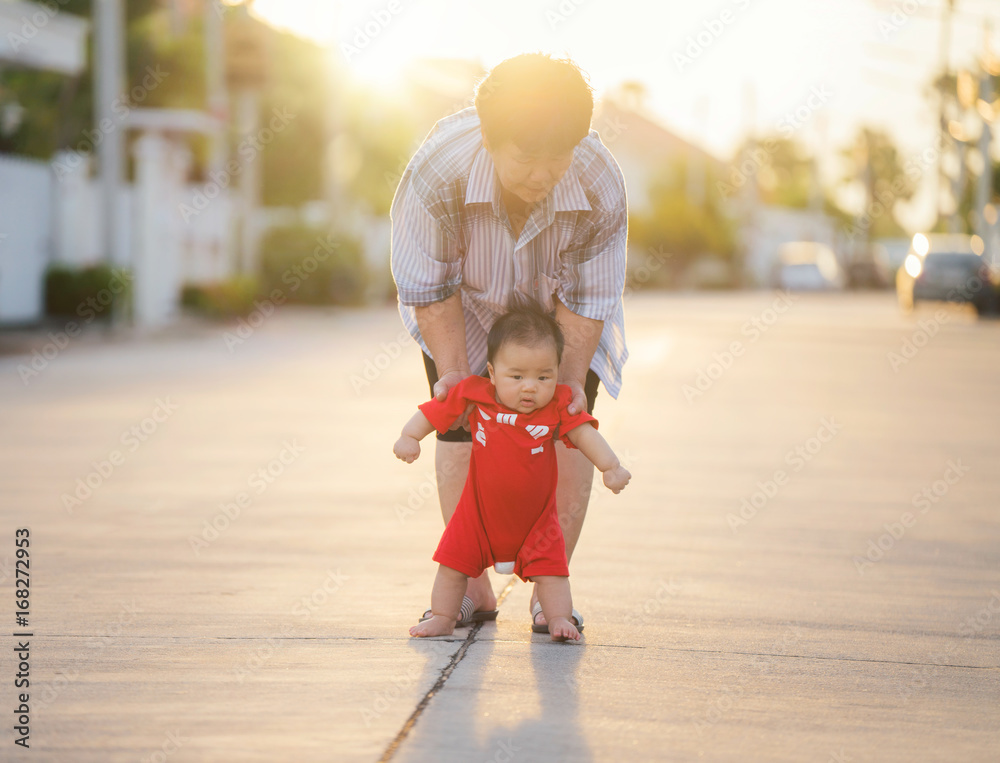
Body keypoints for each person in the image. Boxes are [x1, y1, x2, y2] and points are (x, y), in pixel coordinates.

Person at [390, 52, 628, 632]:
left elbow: (590, 298)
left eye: (558, 157)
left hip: (560, 310)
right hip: (464, 307)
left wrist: (567, 383)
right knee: (460, 422)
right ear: (490, 140)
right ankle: (472, 590)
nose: (543, 174)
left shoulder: (599, 182)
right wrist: (453, 377)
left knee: (566, 427)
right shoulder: (438, 171)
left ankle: (551, 593)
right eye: (526, 157)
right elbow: (430, 284)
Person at [393, 300, 631, 641]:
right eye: (516, 376)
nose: (529, 386)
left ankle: (559, 617)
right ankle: (444, 616)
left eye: (543, 376)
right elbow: (434, 412)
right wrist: (409, 435)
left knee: (553, 571)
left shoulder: (558, 405)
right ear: (492, 372)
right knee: (452, 567)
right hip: (477, 517)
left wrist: (611, 466)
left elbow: (585, 435)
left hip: (536, 522)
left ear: (557, 371)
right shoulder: (475, 395)